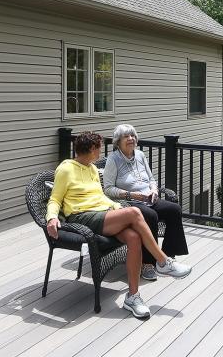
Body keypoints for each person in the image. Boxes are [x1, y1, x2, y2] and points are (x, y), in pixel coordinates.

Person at [46, 131, 192, 319]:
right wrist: (51, 218)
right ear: (91, 149)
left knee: (133, 237)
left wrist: (115, 207)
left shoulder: (90, 168)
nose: (100, 153)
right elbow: (55, 199)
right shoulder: (66, 169)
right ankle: (163, 262)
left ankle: (133, 297)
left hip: (103, 213)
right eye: (98, 148)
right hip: (82, 216)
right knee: (135, 212)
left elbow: (99, 196)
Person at [103, 124, 189, 282]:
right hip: (128, 203)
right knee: (151, 216)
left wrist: (154, 191)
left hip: (148, 198)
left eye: (133, 136)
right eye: (126, 136)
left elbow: (151, 179)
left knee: (174, 209)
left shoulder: (140, 155)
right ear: (118, 142)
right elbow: (107, 189)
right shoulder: (113, 160)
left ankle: (167, 256)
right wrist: (130, 194)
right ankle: (147, 263)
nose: (131, 139)